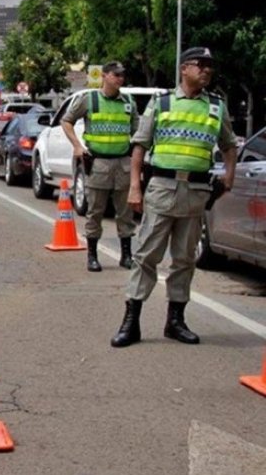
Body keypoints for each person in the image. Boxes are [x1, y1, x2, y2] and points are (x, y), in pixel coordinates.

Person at [110, 47, 237, 347]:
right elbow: (140, 145)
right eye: (200, 65)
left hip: (196, 193)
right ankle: (132, 322)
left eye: (210, 66)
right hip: (163, 188)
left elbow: (229, 144)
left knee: (184, 259)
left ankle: (175, 321)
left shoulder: (217, 106)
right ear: (184, 69)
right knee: (146, 256)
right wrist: (134, 187)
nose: (207, 70)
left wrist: (229, 175)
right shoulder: (162, 101)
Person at [61, 61, 139, 272]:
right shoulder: (90, 99)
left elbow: (137, 132)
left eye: (122, 76)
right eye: (116, 75)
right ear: (104, 76)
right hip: (99, 163)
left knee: (125, 213)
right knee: (95, 211)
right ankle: (92, 255)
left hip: (123, 162)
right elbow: (66, 121)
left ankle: (126, 255)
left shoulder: (129, 102)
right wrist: (77, 145)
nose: (120, 79)